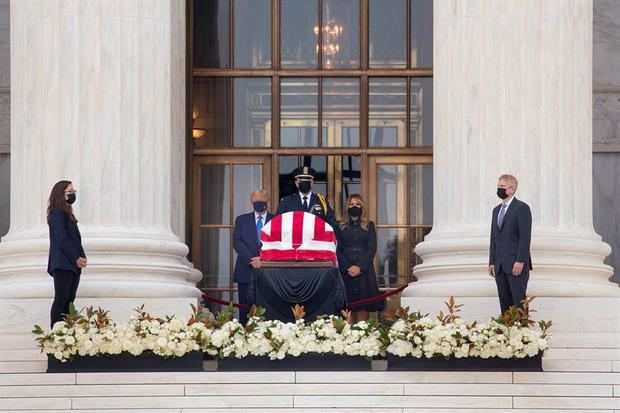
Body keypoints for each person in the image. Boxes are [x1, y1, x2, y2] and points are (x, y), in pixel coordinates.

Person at [488, 174, 533, 315]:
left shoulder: (522, 208)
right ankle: (508, 333)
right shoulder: (496, 210)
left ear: (512, 189)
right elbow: (494, 238)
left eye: (502, 186)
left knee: (519, 303)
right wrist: (492, 262)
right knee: (504, 303)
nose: (499, 189)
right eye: (498, 186)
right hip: (500, 266)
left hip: (516, 265)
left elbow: (525, 237)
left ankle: (522, 335)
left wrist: (520, 260)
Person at [337, 194, 384, 322]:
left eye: (358, 204)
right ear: (347, 207)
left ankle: (362, 336)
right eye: (352, 204)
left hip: (364, 271)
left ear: (362, 207)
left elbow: (371, 248)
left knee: (363, 305)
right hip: (345, 271)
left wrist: (360, 267)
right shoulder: (340, 226)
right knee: (347, 306)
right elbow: (337, 249)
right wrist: (347, 267)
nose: (355, 207)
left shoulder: (369, 225)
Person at [47, 180, 87, 327]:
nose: (72, 194)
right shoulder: (57, 213)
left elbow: (76, 239)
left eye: (73, 192)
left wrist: (82, 256)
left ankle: (66, 332)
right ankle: (56, 334)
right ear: (60, 194)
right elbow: (62, 238)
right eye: (69, 192)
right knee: (61, 299)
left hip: (73, 264)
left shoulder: (67, 213)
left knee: (69, 300)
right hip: (63, 263)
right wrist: (76, 258)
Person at [233, 190, 273, 324]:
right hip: (245, 271)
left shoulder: (276, 220)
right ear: (251, 202)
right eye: (256, 201)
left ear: (268, 201)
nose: (259, 204)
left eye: (262, 201)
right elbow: (237, 243)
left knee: (268, 310)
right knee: (245, 310)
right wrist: (253, 260)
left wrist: (263, 259)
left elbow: (279, 243)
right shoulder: (241, 220)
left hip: (269, 272)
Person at [275, 166, 338, 231]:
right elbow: (277, 224)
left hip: (316, 240)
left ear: (312, 183)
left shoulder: (322, 201)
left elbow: (332, 224)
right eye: (301, 181)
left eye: (308, 181)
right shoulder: (286, 202)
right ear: (296, 183)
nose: (305, 184)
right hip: (294, 239)